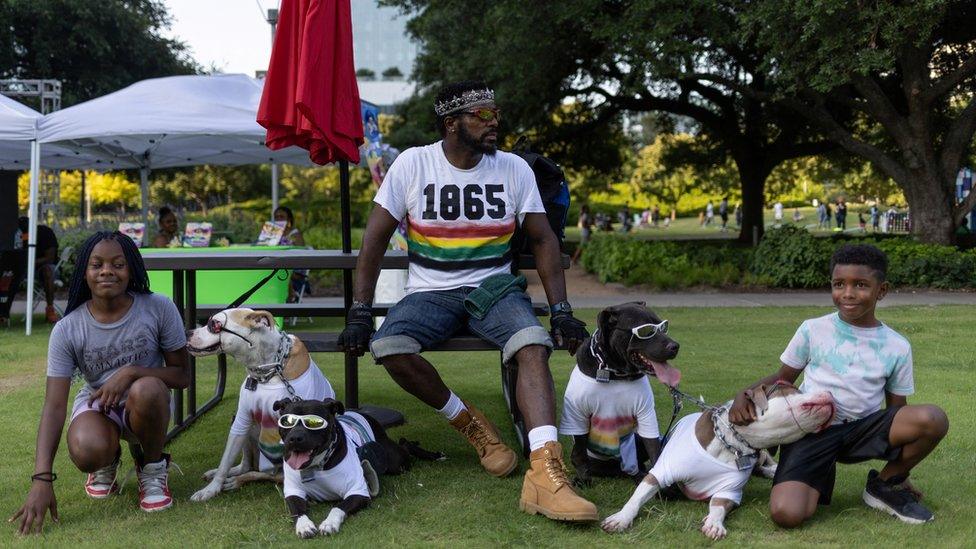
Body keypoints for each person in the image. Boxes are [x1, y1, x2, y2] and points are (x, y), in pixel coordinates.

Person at [336, 80, 596, 522]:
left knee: (533, 345)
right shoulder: (412, 165)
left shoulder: (513, 168)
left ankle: (546, 471)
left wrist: (562, 312)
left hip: (495, 290)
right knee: (389, 346)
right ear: (451, 123)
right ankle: (470, 424)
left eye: (495, 114)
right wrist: (361, 312)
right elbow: (374, 241)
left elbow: (544, 238)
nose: (494, 123)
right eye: (481, 115)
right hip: (430, 292)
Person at [728, 244, 948, 528]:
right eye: (839, 284)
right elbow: (784, 378)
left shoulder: (897, 345)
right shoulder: (813, 329)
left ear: (881, 290)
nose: (847, 293)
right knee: (787, 514)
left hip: (862, 429)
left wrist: (901, 472)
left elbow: (897, 411)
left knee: (932, 419)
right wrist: (742, 394)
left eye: (860, 285)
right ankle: (820, 469)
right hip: (811, 430)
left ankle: (882, 486)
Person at [10, 232, 190, 534]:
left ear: (131, 269)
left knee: (146, 388)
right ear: (84, 271)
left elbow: (182, 375)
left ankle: (152, 467)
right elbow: (54, 406)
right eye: (97, 265)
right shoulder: (68, 329)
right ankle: (108, 458)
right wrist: (41, 478)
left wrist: (132, 372)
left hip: (146, 403)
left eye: (118, 264)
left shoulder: (158, 308)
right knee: (87, 449)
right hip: (99, 406)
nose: (107, 270)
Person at [15, 217, 60, 323]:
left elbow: (49, 258)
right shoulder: (17, 235)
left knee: (48, 271)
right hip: (24, 269)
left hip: (43, 268)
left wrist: (30, 262)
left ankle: (50, 310)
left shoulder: (45, 233)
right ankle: (4, 312)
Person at [273, 206, 308, 302]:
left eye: (282, 216)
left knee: (280, 272)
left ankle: (290, 296)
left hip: (294, 269)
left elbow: (302, 253)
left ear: (289, 219)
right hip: (276, 267)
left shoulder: (295, 234)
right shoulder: (271, 234)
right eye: (276, 217)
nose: (278, 219)